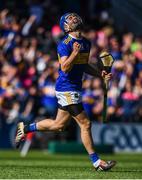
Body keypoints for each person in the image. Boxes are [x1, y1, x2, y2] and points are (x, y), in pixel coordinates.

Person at [15, 12, 116, 171]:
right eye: (70, 18)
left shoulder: (86, 43)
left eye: (75, 16)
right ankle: (97, 162)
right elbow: (65, 67)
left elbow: (83, 66)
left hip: (75, 88)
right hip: (66, 88)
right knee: (86, 123)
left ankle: (25, 129)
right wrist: (74, 53)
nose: (74, 18)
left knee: (59, 125)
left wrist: (99, 73)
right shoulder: (65, 44)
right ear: (66, 26)